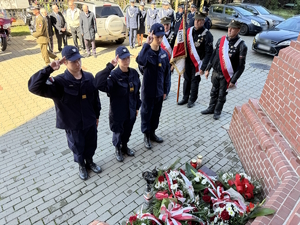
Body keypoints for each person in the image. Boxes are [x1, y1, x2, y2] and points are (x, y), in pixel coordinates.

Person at [28, 46, 102, 180]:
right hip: (73, 125)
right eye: (73, 61)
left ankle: (90, 162)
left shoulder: (89, 77)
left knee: (91, 144)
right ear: (65, 62)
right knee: (78, 147)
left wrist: (97, 116)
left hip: (89, 121)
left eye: (79, 59)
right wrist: (49, 69)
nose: (78, 63)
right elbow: (33, 87)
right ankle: (81, 165)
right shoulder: (60, 82)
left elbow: (95, 99)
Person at [94, 46, 141, 162]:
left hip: (131, 110)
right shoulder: (113, 76)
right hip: (118, 112)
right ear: (118, 59)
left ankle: (124, 147)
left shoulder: (134, 73)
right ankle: (117, 148)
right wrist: (110, 66)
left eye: (128, 58)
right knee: (118, 132)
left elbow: (137, 92)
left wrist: (137, 107)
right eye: (123, 58)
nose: (127, 60)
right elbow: (98, 83)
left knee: (128, 130)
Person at [202, 20, 247, 120]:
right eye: (229, 28)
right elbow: (214, 55)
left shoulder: (242, 45)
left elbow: (241, 66)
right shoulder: (221, 40)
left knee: (221, 95)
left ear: (238, 30)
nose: (229, 30)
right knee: (213, 91)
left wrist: (233, 80)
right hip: (215, 72)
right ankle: (211, 108)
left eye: (233, 28)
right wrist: (207, 69)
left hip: (226, 75)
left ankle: (217, 111)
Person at [136, 23, 171, 150]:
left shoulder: (163, 54)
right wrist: (146, 44)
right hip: (148, 91)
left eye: (162, 37)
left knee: (156, 114)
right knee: (146, 113)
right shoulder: (146, 52)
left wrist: (166, 89)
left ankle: (153, 133)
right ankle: (146, 135)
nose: (160, 40)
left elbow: (167, 74)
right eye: (157, 37)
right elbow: (140, 61)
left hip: (159, 91)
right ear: (151, 35)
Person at [177, 12, 213, 108]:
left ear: (203, 21)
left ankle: (192, 99)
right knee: (186, 79)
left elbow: (209, 53)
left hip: (198, 63)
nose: (196, 22)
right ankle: (185, 97)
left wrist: (204, 67)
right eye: (195, 20)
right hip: (188, 61)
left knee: (194, 81)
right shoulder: (189, 31)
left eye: (199, 20)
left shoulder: (207, 35)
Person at [160, 16, 175, 99]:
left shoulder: (174, 35)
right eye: (164, 25)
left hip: (169, 61)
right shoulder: (159, 35)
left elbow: (175, 51)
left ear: (170, 24)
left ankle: (166, 92)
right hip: (160, 61)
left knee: (167, 78)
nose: (166, 27)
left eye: (167, 25)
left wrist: (173, 64)